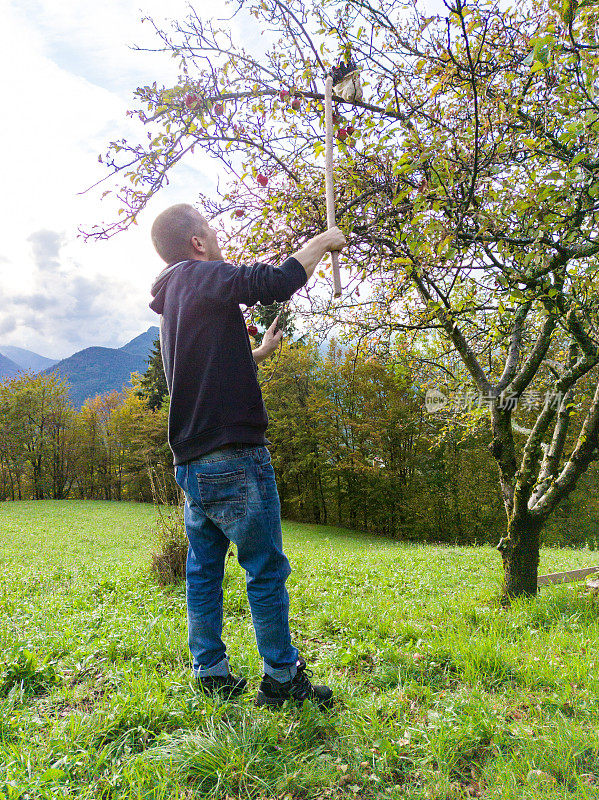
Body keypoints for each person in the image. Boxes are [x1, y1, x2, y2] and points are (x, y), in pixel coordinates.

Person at [149, 203, 346, 707]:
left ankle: (211, 671)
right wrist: (323, 243)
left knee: (203, 570)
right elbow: (276, 281)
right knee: (264, 568)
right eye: (210, 230)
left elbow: (203, 369)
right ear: (196, 243)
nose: (216, 237)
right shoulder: (204, 276)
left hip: (192, 461)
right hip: (233, 455)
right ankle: (283, 680)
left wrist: (257, 354)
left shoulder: (176, 299)